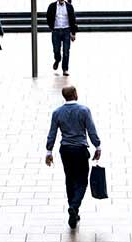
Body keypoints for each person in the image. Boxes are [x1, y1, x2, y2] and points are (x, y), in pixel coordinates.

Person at [45, 85, 101, 229]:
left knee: (69, 179)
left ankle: (73, 210)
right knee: (82, 180)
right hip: (80, 149)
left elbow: (52, 133)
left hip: (66, 150)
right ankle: (74, 206)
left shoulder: (57, 112)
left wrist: (49, 151)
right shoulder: (84, 110)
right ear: (75, 94)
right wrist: (97, 146)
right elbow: (91, 130)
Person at [46, 0, 78, 76]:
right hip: (56, 30)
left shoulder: (69, 7)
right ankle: (57, 59)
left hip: (66, 30)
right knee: (56, 49)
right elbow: (48, 17)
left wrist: (73, 33)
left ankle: (65, 69)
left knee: (66, 50)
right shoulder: (52, 6)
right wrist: (51, 26)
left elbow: (73, 20)